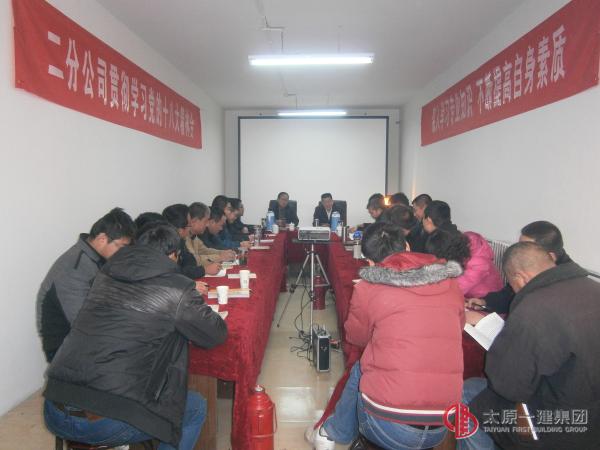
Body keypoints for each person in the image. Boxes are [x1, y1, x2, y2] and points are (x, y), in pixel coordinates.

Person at [43, 223, 228, 450]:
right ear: (173, 255)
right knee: (195, 407)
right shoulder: (177, 287)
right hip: (103, 421)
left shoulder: (106, 274)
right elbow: (215, 334)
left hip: (55, 406)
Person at [306, 222, 465, 450]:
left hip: (387, 423)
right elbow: (458, 327)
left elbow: (357, 338)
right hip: (443, 423)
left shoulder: (369, 287)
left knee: (363, 366)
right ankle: (332, 432)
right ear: (407, 246)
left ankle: (332, 433)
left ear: (370, 262)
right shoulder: (450, 283)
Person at [459, 242, 600, 450]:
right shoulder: (592, 288)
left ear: (520, 277)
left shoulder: (534, 308)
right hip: (590, 414)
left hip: (558, 426)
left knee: (468, 393)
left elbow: (507, 386)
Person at [36, 208, 135, 362]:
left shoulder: (97, 258)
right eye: (121, 246)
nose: (123, 253)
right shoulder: (74, 270)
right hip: (66, 346)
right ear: (102, 239)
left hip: (89, 334)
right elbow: (83, 323)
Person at [466, 220, 572, 316]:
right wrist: (485, 302)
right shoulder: (536, 267)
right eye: (520, 245)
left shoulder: (565, 288)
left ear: (550, 257)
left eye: (526, 248)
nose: (518, 252)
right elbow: (509, 294)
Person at [423, 201, 503, 298]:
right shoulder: (455, 243)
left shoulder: (477, 262)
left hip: (486, 301)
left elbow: (455, 289)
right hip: (468, 296)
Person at [186, 202, 232, 274]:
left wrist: (222, 252)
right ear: (195, 221)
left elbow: (205, 250)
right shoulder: (184, 237)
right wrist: (219, 257)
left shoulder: (194, 236)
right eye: (205, 221)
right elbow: (195, 261)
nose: (207, 224)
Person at [162, 204, 206, 279]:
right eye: (189, 225)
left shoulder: (181, 240)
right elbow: (174, 274)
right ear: (180, 230)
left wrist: (189, 270)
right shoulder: (164, 246)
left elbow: (191, 260)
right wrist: (203, 270)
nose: (191, 228)